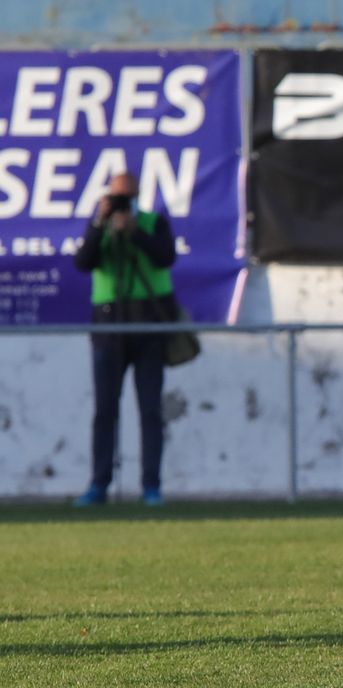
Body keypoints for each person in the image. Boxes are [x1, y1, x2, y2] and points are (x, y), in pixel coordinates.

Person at [72, 171, 179, 507]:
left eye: (127, 197)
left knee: (150, 410)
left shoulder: (153, 223)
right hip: (108, 327)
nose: (122, 203)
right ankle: (99, 483)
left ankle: (151, 486)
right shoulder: (99, 226)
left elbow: (166, 257)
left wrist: (134, 233)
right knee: (105, 410)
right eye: (116, 197)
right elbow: (83, 262)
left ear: (138, 196)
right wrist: (98, 224)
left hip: (147, 326)